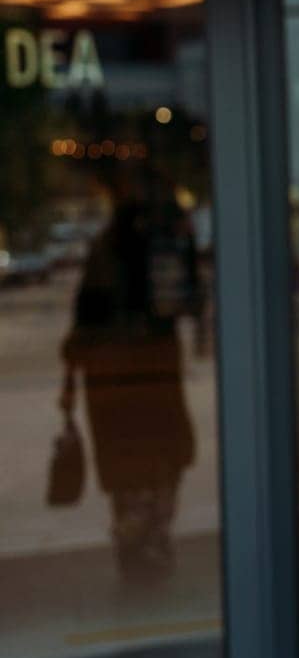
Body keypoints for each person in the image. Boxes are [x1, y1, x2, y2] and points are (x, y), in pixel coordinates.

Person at [59, 164, 201, 584]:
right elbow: (186, 302)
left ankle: (137, 543)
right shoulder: (163, 246)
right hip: (152, 377)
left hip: (114, 384)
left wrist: (74, 368)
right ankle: (151, 539)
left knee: (129, 470)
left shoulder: (107, 249)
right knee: (161, 463)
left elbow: (85, 317)